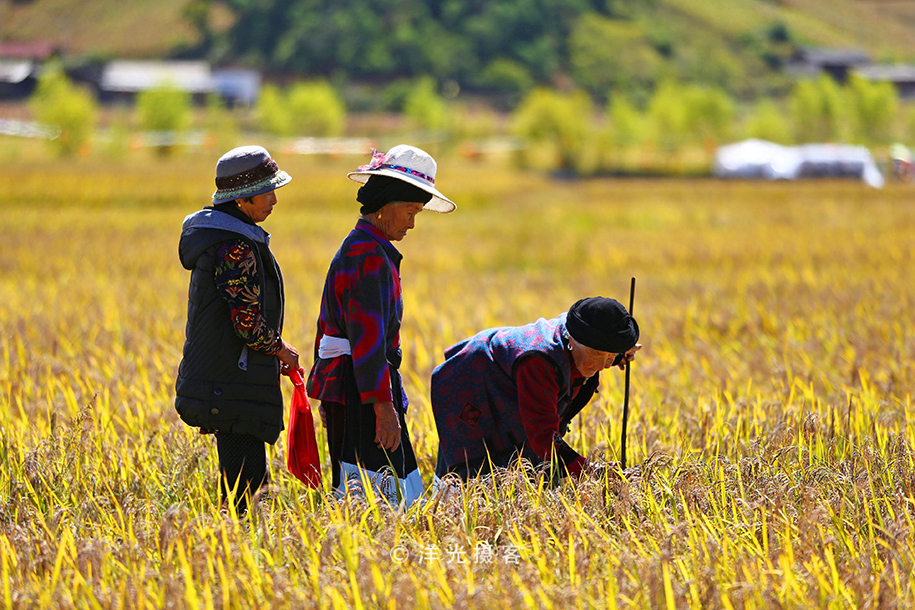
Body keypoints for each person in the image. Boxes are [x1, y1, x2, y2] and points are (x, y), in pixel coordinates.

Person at [306, 144, 456, 507]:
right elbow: (366, 339)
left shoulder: (359, 247)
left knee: (362, 487)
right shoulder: (369, 257)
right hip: (361, 389)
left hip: (348, 383)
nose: (412, 222)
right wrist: (382, 407)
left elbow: (327, 326)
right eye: (409, 211)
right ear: (385, 206)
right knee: (380, 496)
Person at [176, 145, 299, 514]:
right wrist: (280, 350)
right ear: (243, 200)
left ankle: (237, 546)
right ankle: (239, 550)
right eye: (268, 191)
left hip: (226, 375)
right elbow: (247, 323)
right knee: (246, 488)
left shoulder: (225, 236)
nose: (274, 200)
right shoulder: (235, 246)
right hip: (232, 377)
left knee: (242, 478)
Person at [431, 296, 641, 481]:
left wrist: (616, 355)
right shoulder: (540, 362)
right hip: (472, 386)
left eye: (611, 357)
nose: (603, 365)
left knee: (535, 470)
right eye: (597, 355)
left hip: (512, 386)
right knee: (474, 477)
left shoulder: (580, 336)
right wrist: (589, 471)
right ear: (573, 342)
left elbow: (593, 351)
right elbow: (543, 434)